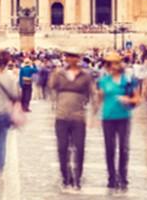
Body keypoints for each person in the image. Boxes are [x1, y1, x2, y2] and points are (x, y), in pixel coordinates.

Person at [94, 51, 139, 191]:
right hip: (107, 118)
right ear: (107, 65)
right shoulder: (103, 81)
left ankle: (123, 177)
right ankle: (112, 177)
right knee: (110, 149)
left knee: (124, 149)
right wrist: (95, 113)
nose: (114, 66)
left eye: (116, 63)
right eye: (111, 63)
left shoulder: (129, 80)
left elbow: (138, 99)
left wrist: (128, 99)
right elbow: (99, 100)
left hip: (124, 117)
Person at [49, 50, 94, 191]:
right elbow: (51, 88)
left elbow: (92, 93)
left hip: (78, 116)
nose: (71, 58)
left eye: (74, 56)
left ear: (78, 58)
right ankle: (65, 176)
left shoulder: (85, 76)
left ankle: (77, 177)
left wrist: (92, 112)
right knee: (62, 148)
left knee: (79, 148)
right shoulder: (59, 74)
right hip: (61, 116)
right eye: (69, 56)